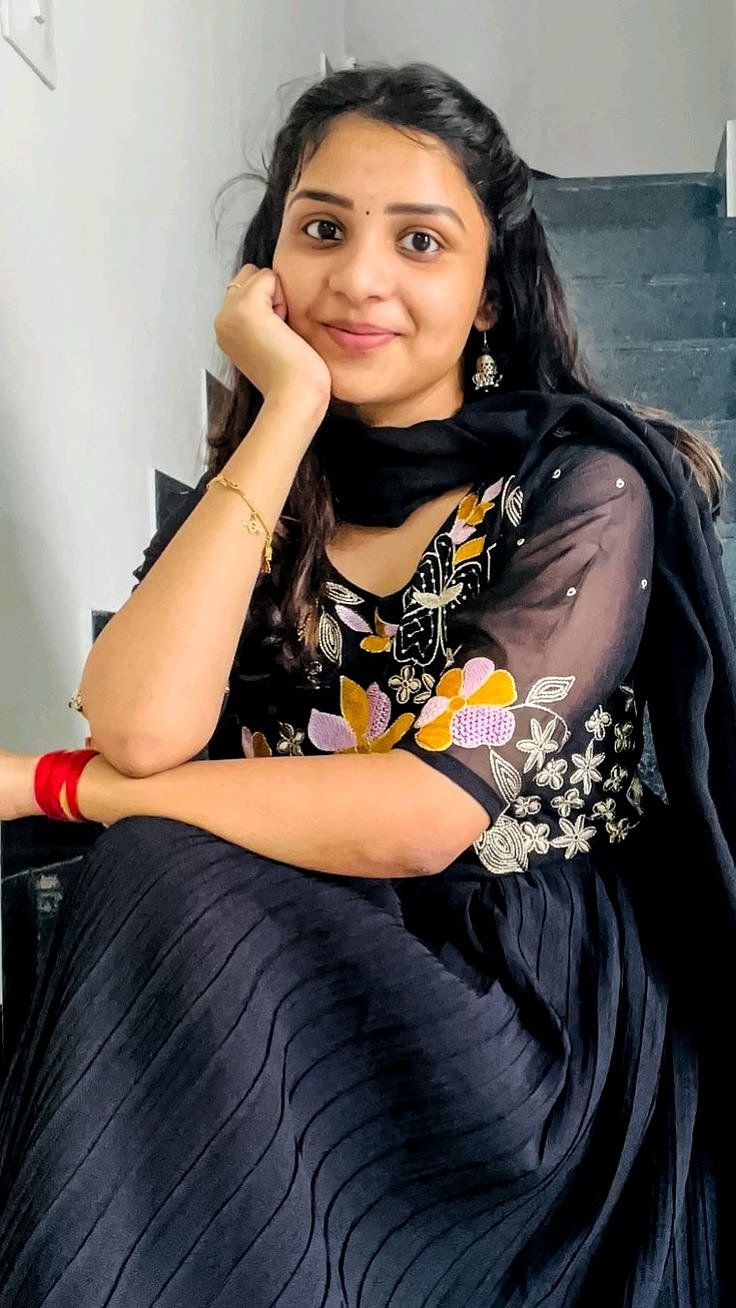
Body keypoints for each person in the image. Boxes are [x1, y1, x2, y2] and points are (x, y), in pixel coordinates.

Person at [1, 60, 735, 1307]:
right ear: (267, 265)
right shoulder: (263, 496)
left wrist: (68, 788)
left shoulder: (582, 489)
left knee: (150, 861)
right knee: (150, 875)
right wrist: (285, 410)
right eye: (322, 229)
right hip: (315, 924)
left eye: (420, 241)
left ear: (488, 293)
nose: (358, 278)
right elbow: (138, 721)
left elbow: (423, 813)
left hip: (517, 1002)